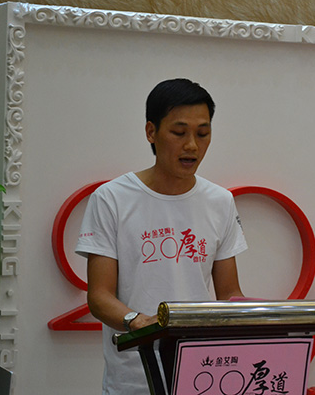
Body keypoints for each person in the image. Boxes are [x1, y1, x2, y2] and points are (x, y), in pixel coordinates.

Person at [75, 78, 248, 395]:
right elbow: (99, 296)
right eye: (179, 133)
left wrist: (257, 320)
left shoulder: (220, 201)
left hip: (203, 373)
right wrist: (139, 321)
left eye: (203, 133)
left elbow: (229, 293)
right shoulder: (112, 198)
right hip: (134, 376)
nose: (192, 145)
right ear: (151, 132)